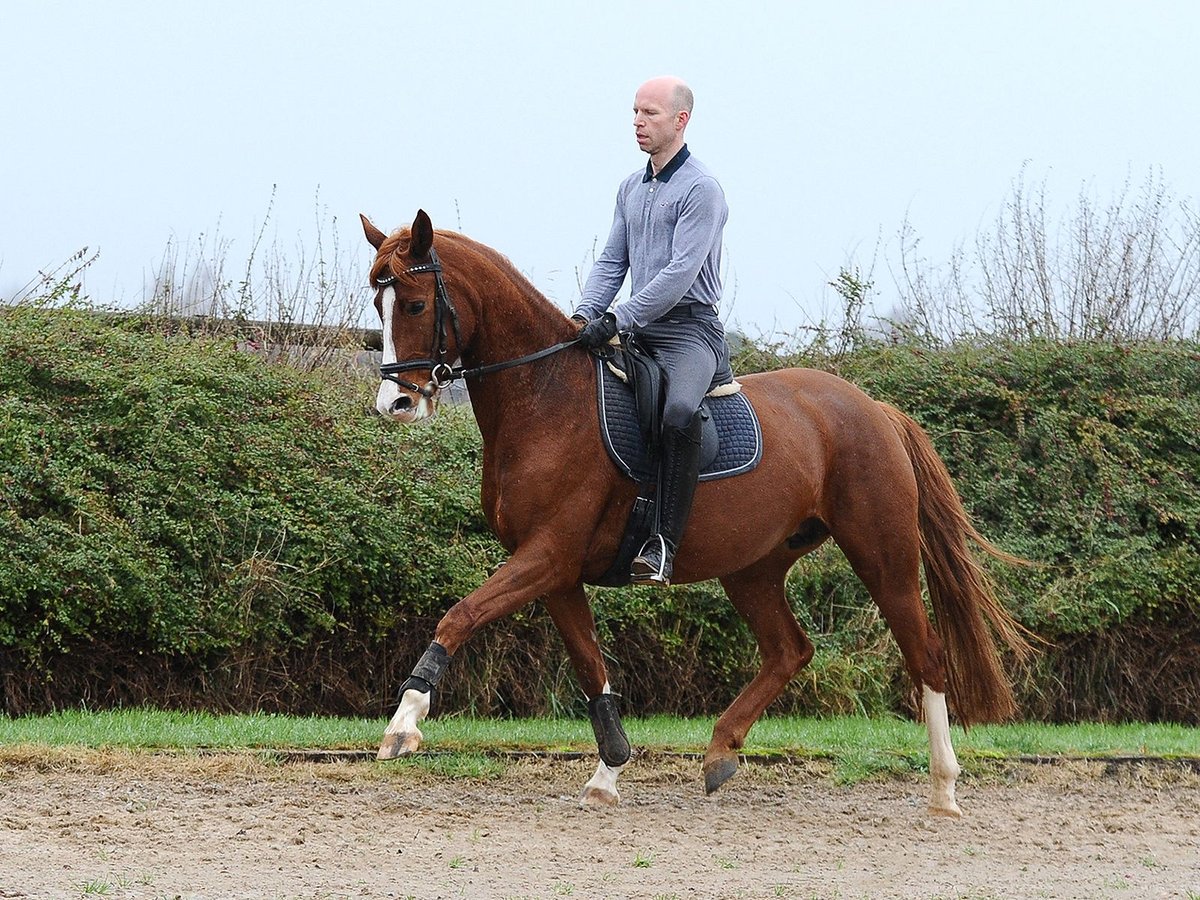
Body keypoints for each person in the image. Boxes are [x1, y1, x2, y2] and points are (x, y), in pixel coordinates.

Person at [574, 75, 734, 587]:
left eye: (651, 114)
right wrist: (583, 314)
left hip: (689, 331)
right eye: (635, 112)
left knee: (679, 412)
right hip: (641, 330)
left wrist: (618, 319)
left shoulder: (701, 190)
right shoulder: (630, 187)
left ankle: (663, 542)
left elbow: (678, 276)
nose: (638, 122)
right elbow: (612, 260)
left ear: (681, 120)